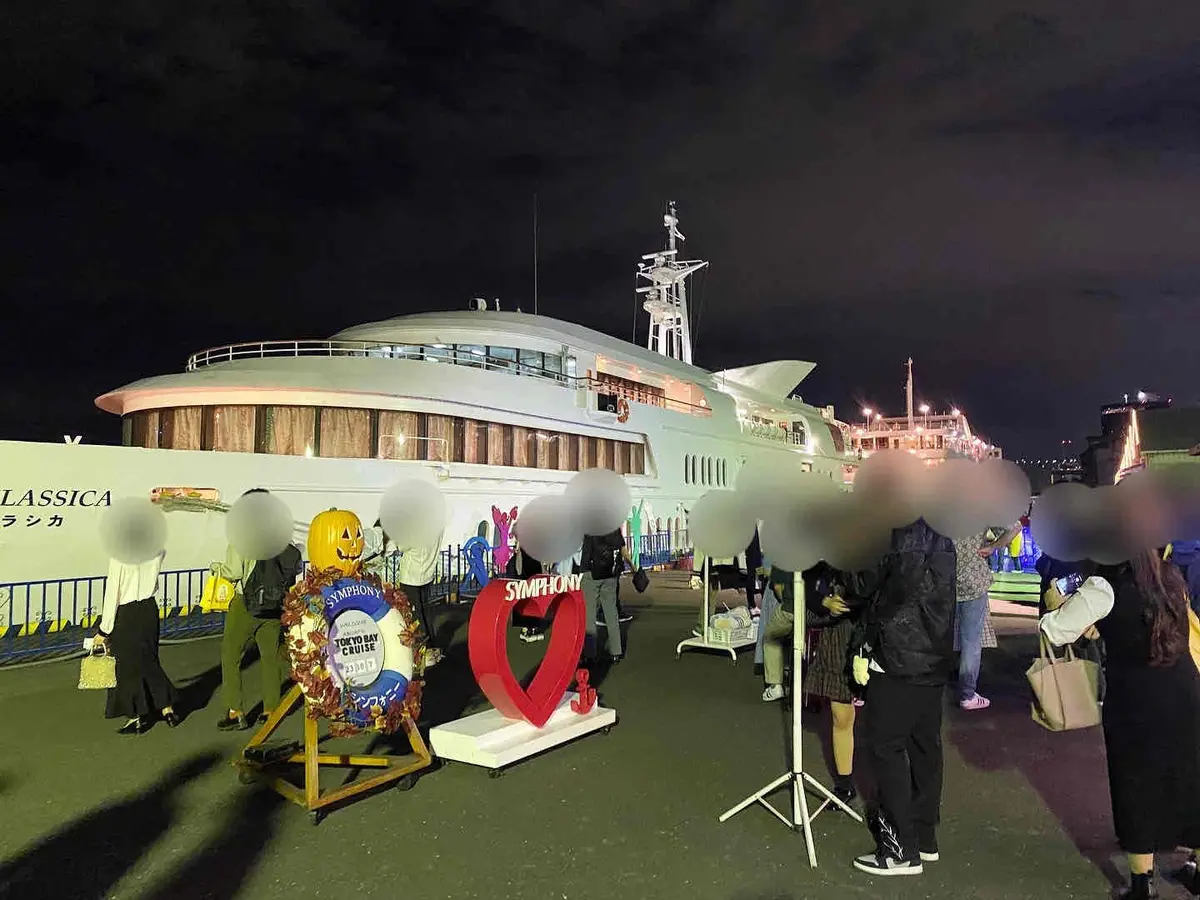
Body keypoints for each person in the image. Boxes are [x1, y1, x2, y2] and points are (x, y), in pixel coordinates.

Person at [1040, 549, 1200, 900]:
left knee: (1136, 782)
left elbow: (1055, 630)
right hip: (1186, 689)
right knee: (1191, 774)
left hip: (1136, 699)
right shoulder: (1172, 576)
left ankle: (1143, 884)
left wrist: (1056, 603)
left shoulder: (1104, 586)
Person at [847, 518, 957, 877]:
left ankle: (901, 849)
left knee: (886, 746)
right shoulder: (942, 533)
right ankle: (925, 839)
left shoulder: (888, 533)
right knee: (925, 747)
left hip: (896, 655)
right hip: (935, 655)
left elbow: (860, 584)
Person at [213, 493, 304, 731]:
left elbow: (233, 572)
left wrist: (215, 567)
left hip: (246, 604)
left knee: (231, 654)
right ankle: (271, 709)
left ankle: (236, 711)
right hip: (274, 606)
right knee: (270, 657)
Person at [94, 548, 180, 734]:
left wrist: (104, 629)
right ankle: (167, 709)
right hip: (149, 608)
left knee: (125, 667)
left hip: (127, 613)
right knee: (149, 659)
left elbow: (113, 592)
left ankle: (135, 717)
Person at [801, 563, 866, 808]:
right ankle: (844, 786)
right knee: (842, 717)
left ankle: (895, 790)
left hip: (878, 640)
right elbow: (804, 602)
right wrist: (825, 603)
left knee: (888, 726)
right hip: (839, 646)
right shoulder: (820, 565)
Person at [952, 523, 1019, 711]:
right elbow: (1015, 527)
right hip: (973, 580)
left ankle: (931, 685)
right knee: (971, 641)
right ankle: (967, 694)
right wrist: (993, 547)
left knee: (937, 634)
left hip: (941, 579)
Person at [395, 529, 445, 668]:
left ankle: (422, 652)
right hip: (427, 573)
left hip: (411, 576)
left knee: (414, 616)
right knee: (425, 612)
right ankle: (432, 648)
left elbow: (402, 545)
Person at [581, 528, 631, 663]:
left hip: (592, 574)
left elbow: (585, 552)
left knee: (589, 615)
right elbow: (624, 551)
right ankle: (616, 652)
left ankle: (590, 654)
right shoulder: (614, 528)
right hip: (611, 574)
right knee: (611, 612)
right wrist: (633, 567)